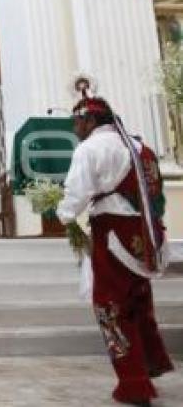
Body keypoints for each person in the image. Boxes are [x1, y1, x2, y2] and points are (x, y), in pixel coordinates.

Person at [56, 93, 173, 407]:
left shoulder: (90, 148)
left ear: (91, 120)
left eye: (77, 122)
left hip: (113, 232)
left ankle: (134, 383)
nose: (75, 128)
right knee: (138, 299)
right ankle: (152, 361)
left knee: (110, 305)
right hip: (144, 233)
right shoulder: (140, 147)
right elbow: (156, 193)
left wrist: (64, 215)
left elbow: (76, 192)